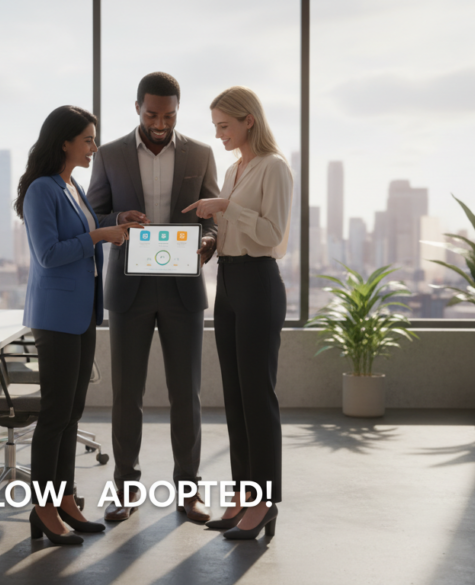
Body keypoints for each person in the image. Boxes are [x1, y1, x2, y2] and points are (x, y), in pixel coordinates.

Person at [87, 72, 220, 524]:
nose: (160, 123)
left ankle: (190, 491)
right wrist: (118, 217)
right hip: (129, 288)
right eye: (151, 114)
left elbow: (213, 216)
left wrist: (208, 243)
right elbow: (93, 213)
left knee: (187, 394)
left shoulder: (201, 154)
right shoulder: (109, 155)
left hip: (183, 288)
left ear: (178, 110)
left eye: (168, 115)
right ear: (138, 108)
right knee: (127, 394)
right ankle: (124, 490)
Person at [18, 105, 142, 545]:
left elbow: (89, 227)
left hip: (83, 312)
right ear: (65, 141)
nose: (94, 147)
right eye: (88, 139)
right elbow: (49, 254)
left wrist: (115, 221)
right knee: (54, 415)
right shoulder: (41, 190)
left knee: (71, 413)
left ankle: (66, 498)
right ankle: (43, 507)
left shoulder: (70, 186)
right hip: (55, 317)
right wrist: (98, 237)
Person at [182, 86, 292, 539]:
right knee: (235, 396)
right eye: (215, 127)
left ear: (249, 120)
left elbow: (273, 236)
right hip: (227, 282)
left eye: (224, 126)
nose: (219, 135)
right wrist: (212, 241)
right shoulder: (233, 170)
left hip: (259, 284)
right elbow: (233, 231)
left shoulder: (274, 168)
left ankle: (264, 502)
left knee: (257, 397)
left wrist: (228, 206)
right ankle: (244, 495)